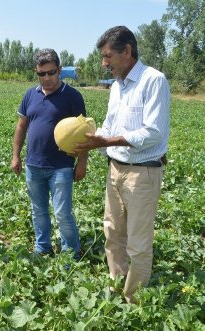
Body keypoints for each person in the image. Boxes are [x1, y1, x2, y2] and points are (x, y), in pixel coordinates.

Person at [74, 26, 170, 303]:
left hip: (143, 173)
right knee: (113, 233)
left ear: (127, 51)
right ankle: (117, 287)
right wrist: (89, 137)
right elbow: (110, 125)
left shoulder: (154, 80)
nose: (104, 63)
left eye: (108, 56)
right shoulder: (117, 86)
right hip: (115, 168)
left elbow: (154, 132)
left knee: (138, 244)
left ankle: (134, 301)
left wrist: (105, 141)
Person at [11, 48, 89, 261]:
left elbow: (86, 133)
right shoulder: (30, 94)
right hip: (33, 165)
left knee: (63, 213)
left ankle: (70, 253)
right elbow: (21, 127)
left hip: (61, 165)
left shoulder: (72, 96)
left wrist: (82, 162)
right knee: (38, 211)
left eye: (51, 72)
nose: (46, 78)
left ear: (60, 70)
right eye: (41, 74)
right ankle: (42, 247)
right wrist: (16, 155)